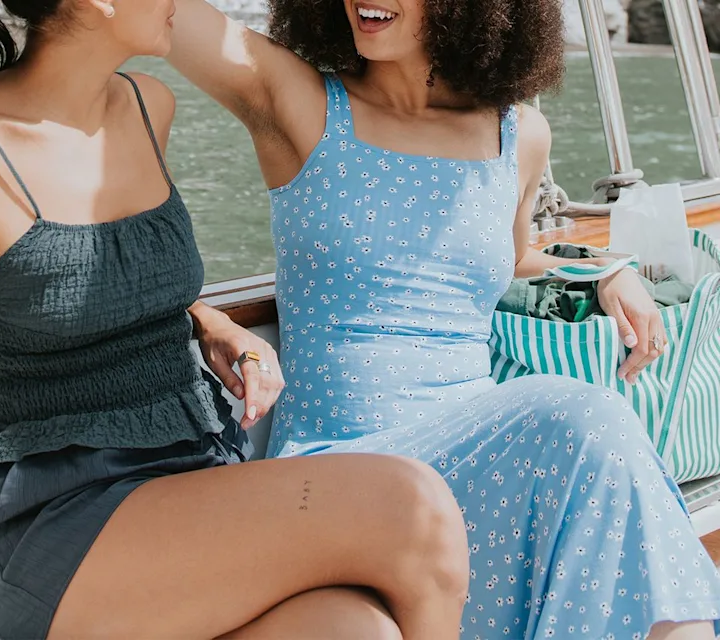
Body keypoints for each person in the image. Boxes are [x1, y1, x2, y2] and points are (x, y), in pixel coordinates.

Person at [0, 1, 471, 639]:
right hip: (62, 520)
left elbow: (111, 268)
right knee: (409, 505)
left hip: (194, 473)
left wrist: (207, 322)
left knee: (354, 630)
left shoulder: (147, 104)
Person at [168, 0, 720, 638]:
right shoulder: (302, 103)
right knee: (586, 417)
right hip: (340, 469)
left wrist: (604, 269)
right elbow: (159, 15)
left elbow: (508, 257)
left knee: (591, 463)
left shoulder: (517, 135)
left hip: (473, 456)